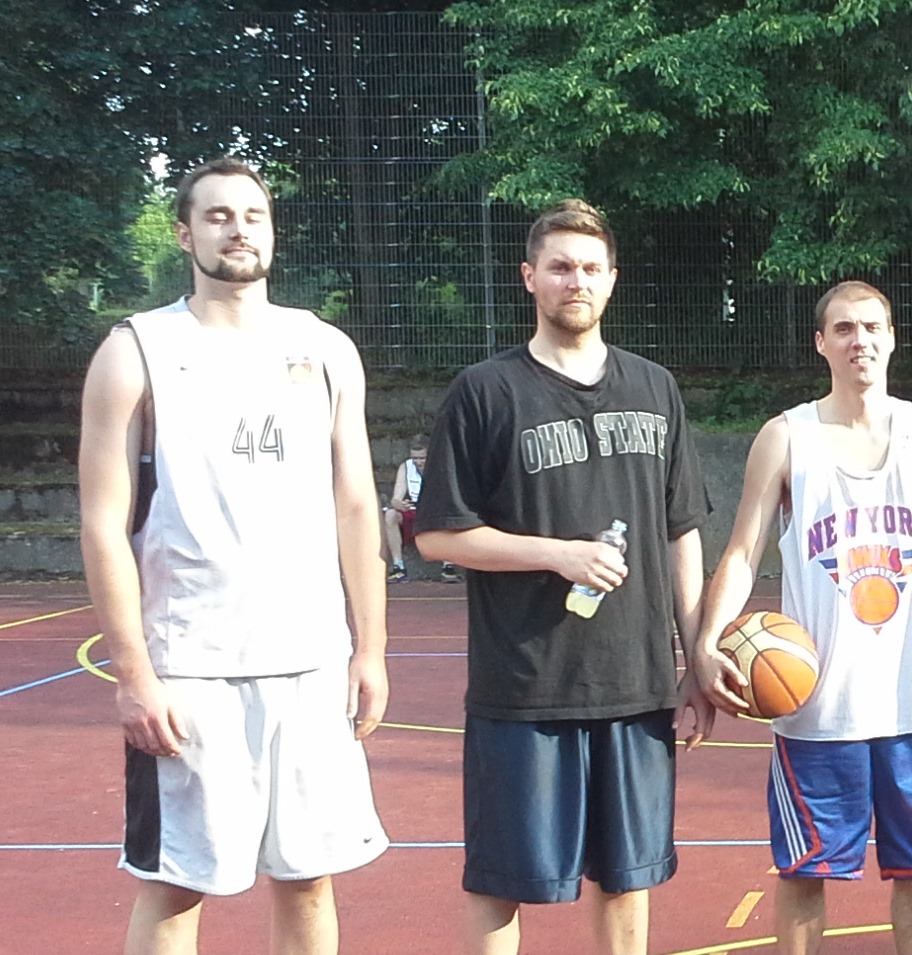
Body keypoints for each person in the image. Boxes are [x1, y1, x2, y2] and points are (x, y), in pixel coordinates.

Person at [77, 157, 390, 955]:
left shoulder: (322, 347)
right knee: (179, 882)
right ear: (185, 233)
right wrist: (134, 674)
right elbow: (103, 523)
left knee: (310, 878)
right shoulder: (138, 347)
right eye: (217, 215)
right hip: (192, 665)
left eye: (252, 214)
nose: (238, 228)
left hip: (312, 659)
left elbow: (355, 504)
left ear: (273, 231)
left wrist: (370, 649)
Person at [414, 199, 715, 955]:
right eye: (558, 266)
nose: (573, 279)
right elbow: (440, 534)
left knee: (628, 876)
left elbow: (682, 531)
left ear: (612, 280)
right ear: (529, 277)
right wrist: (556, 552)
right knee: (502, 879)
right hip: (524, 683)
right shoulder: (485, 390)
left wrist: (696, 658)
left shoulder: (655, 387)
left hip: (636, 679)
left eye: (588, 267)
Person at [692, 281, 912, 955]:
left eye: (873, 326)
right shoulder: (786, 437)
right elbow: (740, 551)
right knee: (805, 871)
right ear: (820, 342)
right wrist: (707, 641)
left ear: (892, 336)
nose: (861, 340)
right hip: (817, 703)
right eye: (845, 328)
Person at [382, 434, 429, 581]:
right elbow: (396, 498)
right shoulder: (406, 467)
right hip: (413, 509)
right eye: (415, 458)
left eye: (422, 458)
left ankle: (449, 566)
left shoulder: (440, 464)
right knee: (390, 515)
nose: (419, 462)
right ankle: (398, 566)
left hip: (434, 511)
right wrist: (399, 504)